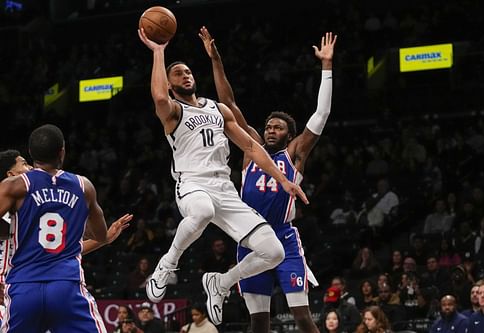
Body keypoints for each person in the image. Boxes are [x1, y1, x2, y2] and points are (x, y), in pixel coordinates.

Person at [137, 28, 308, 326]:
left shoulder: (218, 110)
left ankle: (221, 283)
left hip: (224, 188)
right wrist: (158, 51)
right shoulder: (173, 112)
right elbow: (158, 97)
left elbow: (251, 146)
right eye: (178, 73)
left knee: (273, 251)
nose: (185, 75)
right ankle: (168, 263)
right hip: (192, 184)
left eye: (188, 71)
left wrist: (283, 180)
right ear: (170, 82)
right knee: (202, 211)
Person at [199, 26, 336, 333]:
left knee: (302, 315)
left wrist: (326, 66)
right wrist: (215, 60)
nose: (271, 129)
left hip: (284, 238)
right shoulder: (251, 151)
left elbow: (322, 114)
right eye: (268, 126)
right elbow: (228, 105)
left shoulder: (296, 153)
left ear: (289, 133)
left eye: (277, 127)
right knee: (258, 320)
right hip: (250, 238)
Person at [0, 124, 132, 332]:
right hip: (66, 285)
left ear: (32, 154)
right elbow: (98, 233)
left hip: (23, 286)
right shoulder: (83, 186)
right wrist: (92, 231)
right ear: (62, 151)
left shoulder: (13, 187)